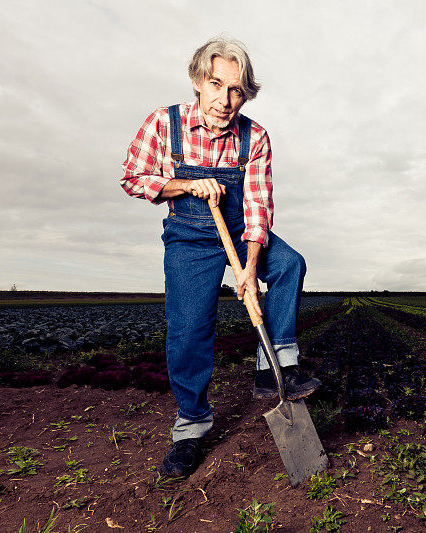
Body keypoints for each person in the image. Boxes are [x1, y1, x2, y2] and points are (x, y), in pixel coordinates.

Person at [120, 37, 320, 477]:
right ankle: (191, 427)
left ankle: (274, 369)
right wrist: (186, 185)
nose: (225, 100)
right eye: (216, 84)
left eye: (236, 90)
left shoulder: (255, 137)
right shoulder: (164, 124)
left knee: (289, 264)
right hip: (190, 236)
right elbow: (134, 178)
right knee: (189, 332)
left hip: (236, 229)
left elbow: (257, 208)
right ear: (198, 81)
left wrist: (249, 268)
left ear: (245, 94)